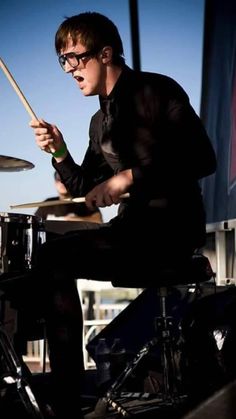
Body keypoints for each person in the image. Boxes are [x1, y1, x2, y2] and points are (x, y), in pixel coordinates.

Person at [29, 11, 216, 419]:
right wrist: (58, 152)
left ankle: (65, 401)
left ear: (106, 53)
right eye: (63, 60)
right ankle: (64, 395)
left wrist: (130, 177)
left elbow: (203, 157)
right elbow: (84, 188)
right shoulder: (100, 122)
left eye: (74, 57)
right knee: (48, 256)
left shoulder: (156, 91)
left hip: (171, 230)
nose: (68, 69)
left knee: (51, 259)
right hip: (130, 231)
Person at [35, 170, 103, 223]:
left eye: (65, 180)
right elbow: (34, 222)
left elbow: (98, 220)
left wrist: (74, 220)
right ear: (55, 183)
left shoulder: (83, 201)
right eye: (59, 180)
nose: (62, 183)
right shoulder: (47, 204)